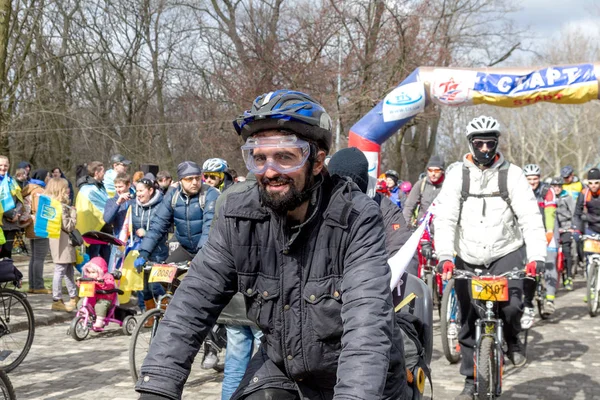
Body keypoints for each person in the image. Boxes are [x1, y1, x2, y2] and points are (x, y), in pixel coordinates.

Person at [135, 89, 407, 400]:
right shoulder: (238, 215)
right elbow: (193, 301)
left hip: (362, 379)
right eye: (258, 157)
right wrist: (157, 387)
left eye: (285, 157)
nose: (270, 171)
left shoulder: (356, 217)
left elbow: (366, 325)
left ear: (317, 161)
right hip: (284, 369)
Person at [434, 116, 546, 400]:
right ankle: (472, 379)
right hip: (467, 256)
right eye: (479, 142)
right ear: (470, 144)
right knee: (469, 318)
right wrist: (445, 256)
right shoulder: (457, 175)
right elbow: (445, 218)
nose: (485, 148)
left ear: (497, 143)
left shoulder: (513, 175)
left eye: (490, 142)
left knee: (511, 307)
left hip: (504, 252)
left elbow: (530, 218)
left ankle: (511, 338)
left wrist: (536, 257)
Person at [134, 160, 220, 367]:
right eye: (189, 179)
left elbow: (209, 226)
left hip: (208, 248)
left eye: (197, 178)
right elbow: (158, 226)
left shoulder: (210, 195)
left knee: (204, 295)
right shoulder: (172, 197)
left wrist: (201, 256)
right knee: (166, 278)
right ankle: (173, 318)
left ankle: (212, 345)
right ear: (180, 181)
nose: (194, 182)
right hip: (183, 248)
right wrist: (144, 252)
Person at [328, 147, 417, 274]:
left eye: (347, 189)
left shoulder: (385, 209)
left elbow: (402, 251)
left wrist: (402, 285)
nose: (340, 195)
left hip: (370, 280)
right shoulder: (317, 203)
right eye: (335, 186)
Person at [522, 163, 558, 323]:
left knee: (550, 261)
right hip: (528, 230)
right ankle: (527, 302)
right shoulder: (520, 190)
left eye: (535, 178)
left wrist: (549, 232)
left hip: (547, 227)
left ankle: (549, 299)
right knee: (527, 266)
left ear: (540, 178)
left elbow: (550, 214)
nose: (532, 182)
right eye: (529, 179)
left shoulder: (547, 191)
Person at [131, 176, 168, 319]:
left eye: (142, 191)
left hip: (158, 251)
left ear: (151, 190)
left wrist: (146, 233)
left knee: (156, 285)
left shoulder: (161, 205)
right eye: (137, 191)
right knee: (144, 287)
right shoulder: (133, 206)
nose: (139, 194)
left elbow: (162, 228)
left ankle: (165, 314)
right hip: (140, 251)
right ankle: (150, 316)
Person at [46, 178, 78, 312]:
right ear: (60, 190)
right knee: (60, 270)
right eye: (66, 188)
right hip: (63, 243)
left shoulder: (51, 205)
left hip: (57, 241)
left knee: (69, 270)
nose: (69, 190)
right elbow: (68, 226)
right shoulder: (62, 207)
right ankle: (57, 299)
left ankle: (73, 296)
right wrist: (74, 213)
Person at [23, 169, 52, 294]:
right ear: (43, 177)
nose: (49, 178)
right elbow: (42, 210)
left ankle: (32, 285)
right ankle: (39, 286)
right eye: (48, 176)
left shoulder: (30, 189)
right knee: (39, 258)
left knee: (34, 258)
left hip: (30, 226)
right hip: (40, 226)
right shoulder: (40, 191)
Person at [75, 161, 109, 262]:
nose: (104, 174)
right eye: (103, 171)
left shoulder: (99, 186)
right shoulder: (89, 189)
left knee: (105, 258)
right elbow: (104, 205)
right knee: (93, 260)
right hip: (93, 229)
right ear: (96, 173)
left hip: (102, 228)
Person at [402, 154, 445, 226]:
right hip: (423, 228)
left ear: (442, 171)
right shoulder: (421, 184)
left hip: (441, 228)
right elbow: (409, 205)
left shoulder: (448, 185)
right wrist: (404, 227)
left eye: (436, 170)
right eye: (430, 170)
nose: (433, 173)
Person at [552, 177, 577, 290]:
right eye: (554, 186)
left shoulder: (567, 197)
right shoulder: (549, 198)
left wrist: (572, 227)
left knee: (567, 252)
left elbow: (573, 213)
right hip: (553, 229)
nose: (556, 188)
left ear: (561, 187)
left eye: (558, 186)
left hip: (566, 228)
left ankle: (569, 277)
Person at [573, 168, 600, 265]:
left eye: (596, 183)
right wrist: (576, 229)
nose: (593, 186)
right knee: (589, 257)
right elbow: (577, 213)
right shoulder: (584, 193)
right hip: (590, 227)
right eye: (591, 183)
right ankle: (589, 271)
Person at [0, 156, 25, 259]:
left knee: (8, 254)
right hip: (1, 223)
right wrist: (12, 214)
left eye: (5, 165)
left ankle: (7, 274)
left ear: (9, 166)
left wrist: (17, 214)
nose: (3, 168)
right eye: (0, 165)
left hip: (12, 224)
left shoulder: (12, 181)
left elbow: (19, 200)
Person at [81, 257, 116, 329]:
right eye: (89, 272)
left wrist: (102, 283)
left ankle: (100, 321)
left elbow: (110, 284)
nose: (91, 274)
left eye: (93, 272)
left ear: (100, 271)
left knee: (99, 306)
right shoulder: (89, 277)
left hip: (105, 298)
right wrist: (80, 282)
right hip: (92, 297)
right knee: (81, 303)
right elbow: (84, 284)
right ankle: (84, 317)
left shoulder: (107, 277)